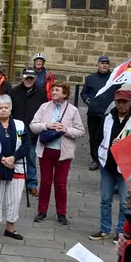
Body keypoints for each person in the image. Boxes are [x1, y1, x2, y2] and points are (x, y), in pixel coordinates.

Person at [91, 88, 131, 241]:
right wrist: (98, 155)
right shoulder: (108, 117)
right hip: (107, 164)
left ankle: (121, 231)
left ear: (130, 102)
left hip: (126, 168)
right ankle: (104, 229)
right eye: (119, 102)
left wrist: (125, 145)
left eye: (125, 102)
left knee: (125, 202)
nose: (121, 105)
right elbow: (98, 137)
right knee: (105, 199)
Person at [30, 81, 84, 226]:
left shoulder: (73, 110)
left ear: (65, 93)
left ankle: (61, 213)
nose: (54, 92)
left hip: (63, 153)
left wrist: (65, 130)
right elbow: (33, 126)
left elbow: (80, 131)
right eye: (53, 90)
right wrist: (46, 125)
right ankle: (42, 211)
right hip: (46, 150)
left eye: (57, 90)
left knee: (60, 184)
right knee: (45, 182)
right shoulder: (44, 107)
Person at [0, 95, 33, 240]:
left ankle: (10, 228)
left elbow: (26, 145)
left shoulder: (20, 126)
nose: (3, 110)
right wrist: (2, 158)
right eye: (0, 108)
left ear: (11, 109)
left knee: (14, 199)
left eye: (6, 107)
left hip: (16, 166)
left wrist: (13, 157)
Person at [8, 68, 46, 198]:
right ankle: (12, 180)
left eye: (31, 78)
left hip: (33, 131)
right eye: (26, 78)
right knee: (14, 156)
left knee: (30, 158)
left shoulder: (41, 93)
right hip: (18, 130)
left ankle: (32, 184)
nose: (28, 80)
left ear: (35, 78)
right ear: (22, 78)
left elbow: (44, 111)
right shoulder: (14, 92)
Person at [82, 55, 116, 171]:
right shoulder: (90, 78)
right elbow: (84, 93)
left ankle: (107, 158)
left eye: (107, 63)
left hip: (109, 113)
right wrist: (88, 101)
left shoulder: (114, 78)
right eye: (102, 63)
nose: (104, 65)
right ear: (98, 64)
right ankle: (95, 159)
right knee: (94, 137)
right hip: (94, 113)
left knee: (109, 136)